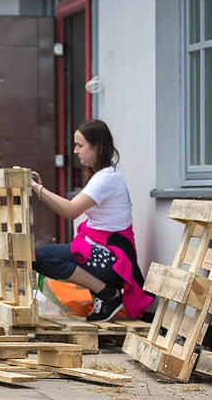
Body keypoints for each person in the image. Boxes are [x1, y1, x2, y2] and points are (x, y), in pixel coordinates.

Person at [29, 119, 153, 322]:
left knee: (38, 256)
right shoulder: (104, 175)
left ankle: (108, 295)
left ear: (97, 147)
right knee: (39, 258)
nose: (76, 151)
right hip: (107, 256)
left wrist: (36, 189)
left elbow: (70, 210)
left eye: (80, 145)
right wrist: (40, 190)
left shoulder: (107, 178)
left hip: (114, 261)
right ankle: (104, 294)